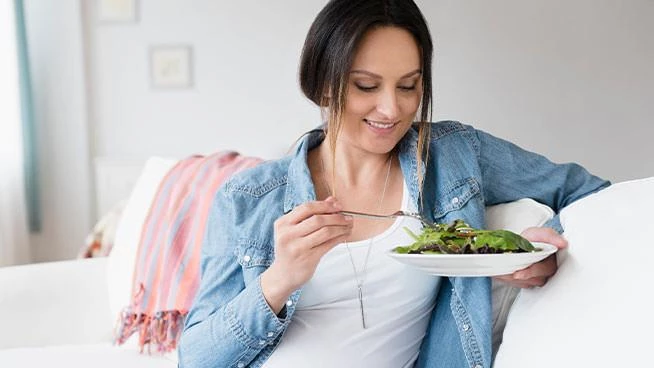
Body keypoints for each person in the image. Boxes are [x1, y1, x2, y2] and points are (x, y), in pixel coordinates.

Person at [178, 0, 609, 367]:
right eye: (366, 85)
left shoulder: (454, 155)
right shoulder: (248, 198)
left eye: (409, 86)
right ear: (323, 84)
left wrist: (539, 248)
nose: (391, 109)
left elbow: (588, 190)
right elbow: (194, 357)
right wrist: (279, 280)